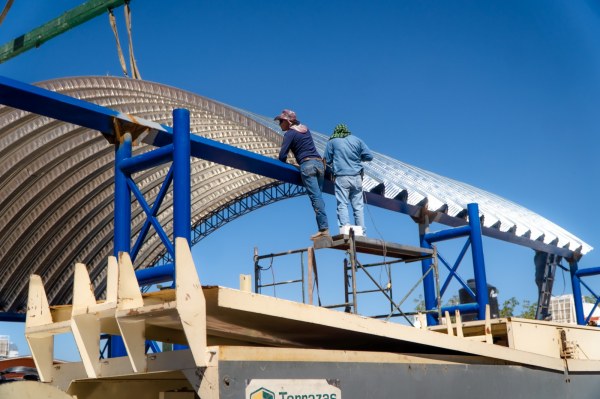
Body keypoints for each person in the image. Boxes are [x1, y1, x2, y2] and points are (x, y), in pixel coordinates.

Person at [275, 109, 329, 239]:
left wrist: (283, 162)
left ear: (288, 121)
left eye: (281, 121)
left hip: (307, 165)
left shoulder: (290, 134)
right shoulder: (306, 130)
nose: (279, 124)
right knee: (319, 197)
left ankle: (324, 230)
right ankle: (323, 228)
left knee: (315, 198)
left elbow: (282, 155)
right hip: (319, 164)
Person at [324, 123, 373, 235]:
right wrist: (356, 158)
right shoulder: (357, 140)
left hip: (342, 177)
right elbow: (369, 156)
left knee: (342, 204)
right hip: (357, 178)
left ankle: (346, 230)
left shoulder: (333, 141)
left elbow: (326, 160)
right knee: (358, 206)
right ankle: (361, 232)